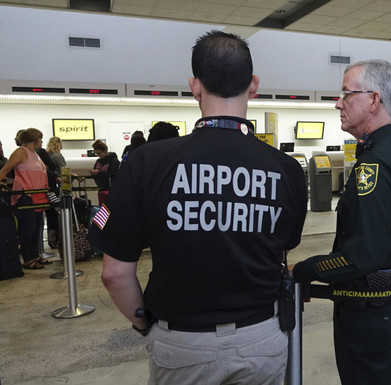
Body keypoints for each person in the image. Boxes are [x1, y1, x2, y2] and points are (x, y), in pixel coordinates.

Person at [91, 30, 308, 385]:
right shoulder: (285, 169)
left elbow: (114, 274)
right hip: (262, 339)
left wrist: (145, 324)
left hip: (181, 345)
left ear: (194, 86)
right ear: (253, 85)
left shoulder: (148, 163)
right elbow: (283, 249)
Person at [292, 59, 391, 385]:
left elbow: (365, 255)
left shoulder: (374, 164)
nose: (338, 103)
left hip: (368, 305)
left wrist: (306, 270)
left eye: (346, 94)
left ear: (374, 100)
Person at [0, 128, 51, 269]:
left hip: (39, 195)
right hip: (25, 195)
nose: (42, 141)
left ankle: (35, 255)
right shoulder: (20, 152)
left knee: (37, 227)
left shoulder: (36, 154)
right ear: (33, 140)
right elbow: (5, 168)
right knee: (27, 228)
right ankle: (28, 258)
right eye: (40, 138)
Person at [46, 136, 66, 249]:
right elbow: (63, 171)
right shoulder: (58, 156)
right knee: (59, 213)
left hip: (47, 188)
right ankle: (59, 238)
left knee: (50, 214)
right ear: (58, 143)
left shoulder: (46, 155)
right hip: (56, 187)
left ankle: (51, 239)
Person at [89, 140, 120, 205]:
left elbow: (113, 175)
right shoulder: (98, 161)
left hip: (111, 190)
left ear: (105, 150)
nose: (98, 155)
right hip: (101, 189)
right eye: (96, 153)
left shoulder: (114, 161)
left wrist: (98, 172)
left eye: (99, 153)